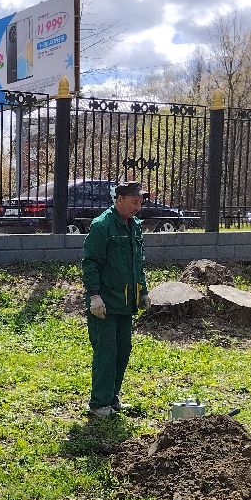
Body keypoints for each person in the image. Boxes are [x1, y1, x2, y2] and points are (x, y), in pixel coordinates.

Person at [81, 178, 150, 417]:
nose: (137, 206)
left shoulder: (135, 226)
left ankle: (112, 398)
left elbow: (137, 263)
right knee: (106, 351)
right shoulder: (102, 226)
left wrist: (144, 292)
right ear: (119, 200)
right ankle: (99, 404)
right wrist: (94, 296)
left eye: (140, 202)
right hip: (105, 303)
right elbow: (90, 262)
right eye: (133, 201)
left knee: (123, 349)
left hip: (126, 302)